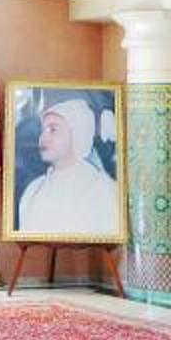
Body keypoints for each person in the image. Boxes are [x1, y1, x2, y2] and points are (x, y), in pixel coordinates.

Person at [15, 94, 121, 235]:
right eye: (43, 130)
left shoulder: (105, 190)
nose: (43, 138)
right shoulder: (33, 191)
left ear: (77, 134)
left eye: (53, 130)